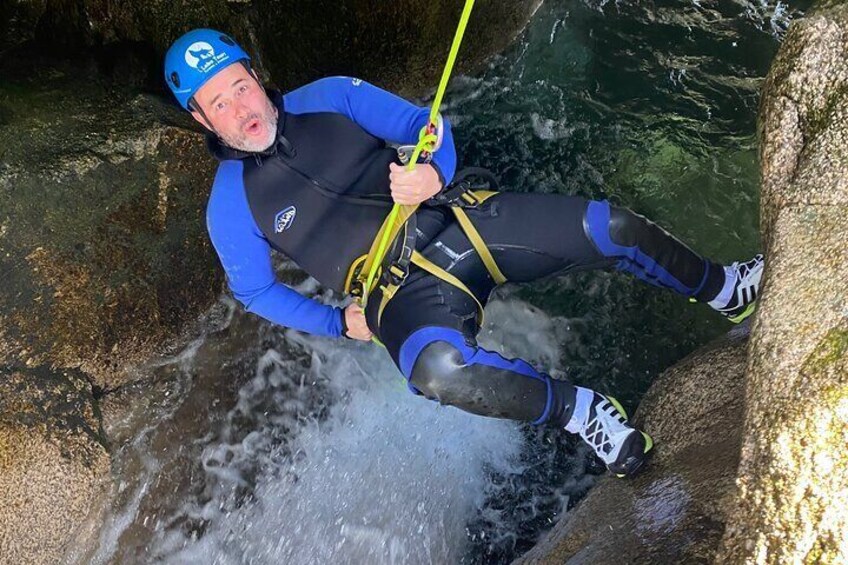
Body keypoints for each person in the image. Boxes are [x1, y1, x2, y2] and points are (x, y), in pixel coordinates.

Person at [164, 29, 764, 478]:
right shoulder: (230, 207)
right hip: (398, 291)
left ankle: (724, 290)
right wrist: (335, 321)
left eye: (240, 86)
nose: (241, 110)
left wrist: (431, 173)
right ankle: (582, 412)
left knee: (613, 227)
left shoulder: (328, 96)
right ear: (200, 117)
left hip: (456, 218)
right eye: (219, 103)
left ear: (253, 73)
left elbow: (425, 125)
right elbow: (254, 291)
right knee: (436, 372)